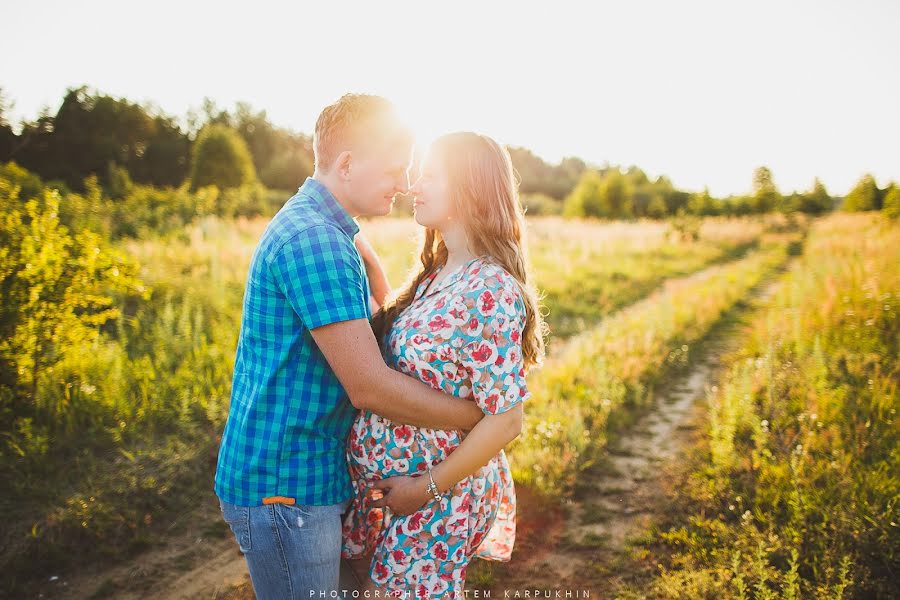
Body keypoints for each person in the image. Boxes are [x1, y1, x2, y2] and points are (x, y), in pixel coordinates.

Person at [213, 94, 485, 599]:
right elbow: (368, 386)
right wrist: (477, 419)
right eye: (393, 170)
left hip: (302, 476)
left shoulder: (325, 228)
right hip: (287, 485)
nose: (404, 183)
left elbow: (361, 290)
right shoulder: (316, 241)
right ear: (346, 164)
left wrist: (378, 273)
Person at [341, 131, 547, 597]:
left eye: (430, 175)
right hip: (396, 497)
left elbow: (507, 419)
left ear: (470, 187)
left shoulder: (490, 290)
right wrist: (372, 274)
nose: (414, 184)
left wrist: (424, 489)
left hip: (436, 501)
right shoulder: (438, 275)